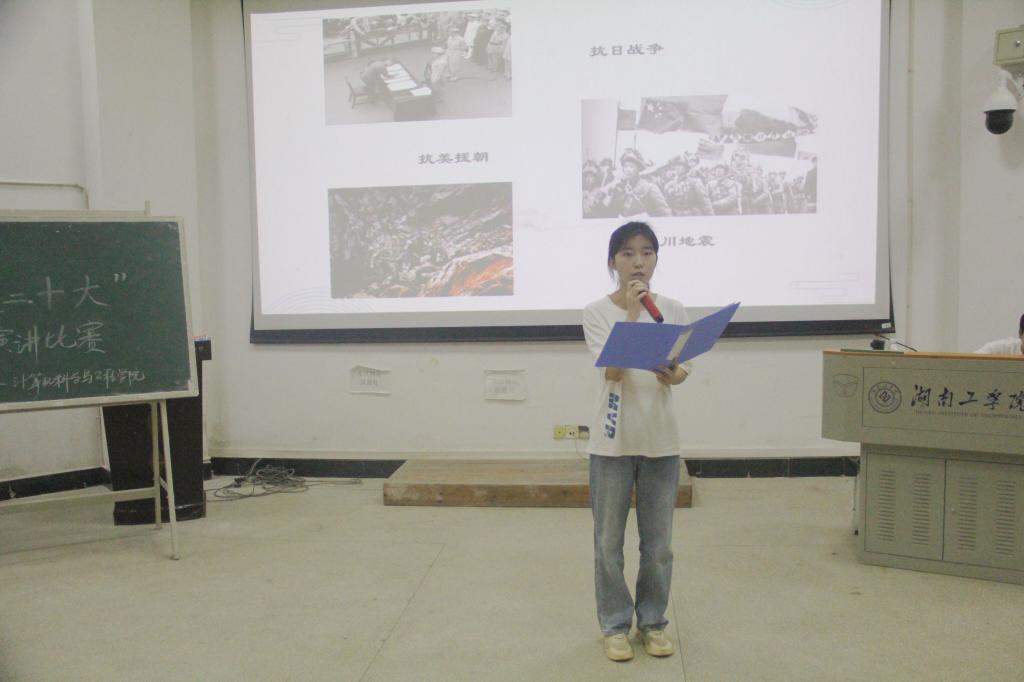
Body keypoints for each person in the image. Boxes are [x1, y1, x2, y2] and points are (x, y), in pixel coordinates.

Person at [582, 221, 692, 663]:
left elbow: (682, 373)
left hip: (660, 439)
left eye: (647, 252)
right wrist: (631, 312)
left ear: (656, 259)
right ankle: (614, 625)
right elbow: (612, 371)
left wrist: (672, 372)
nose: (638, 261)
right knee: (608, 543)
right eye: (627, 253)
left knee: (658, 546)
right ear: (613, 262)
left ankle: (652, 622)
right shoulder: (596, 312)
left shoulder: (674, 308)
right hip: (612, 442)